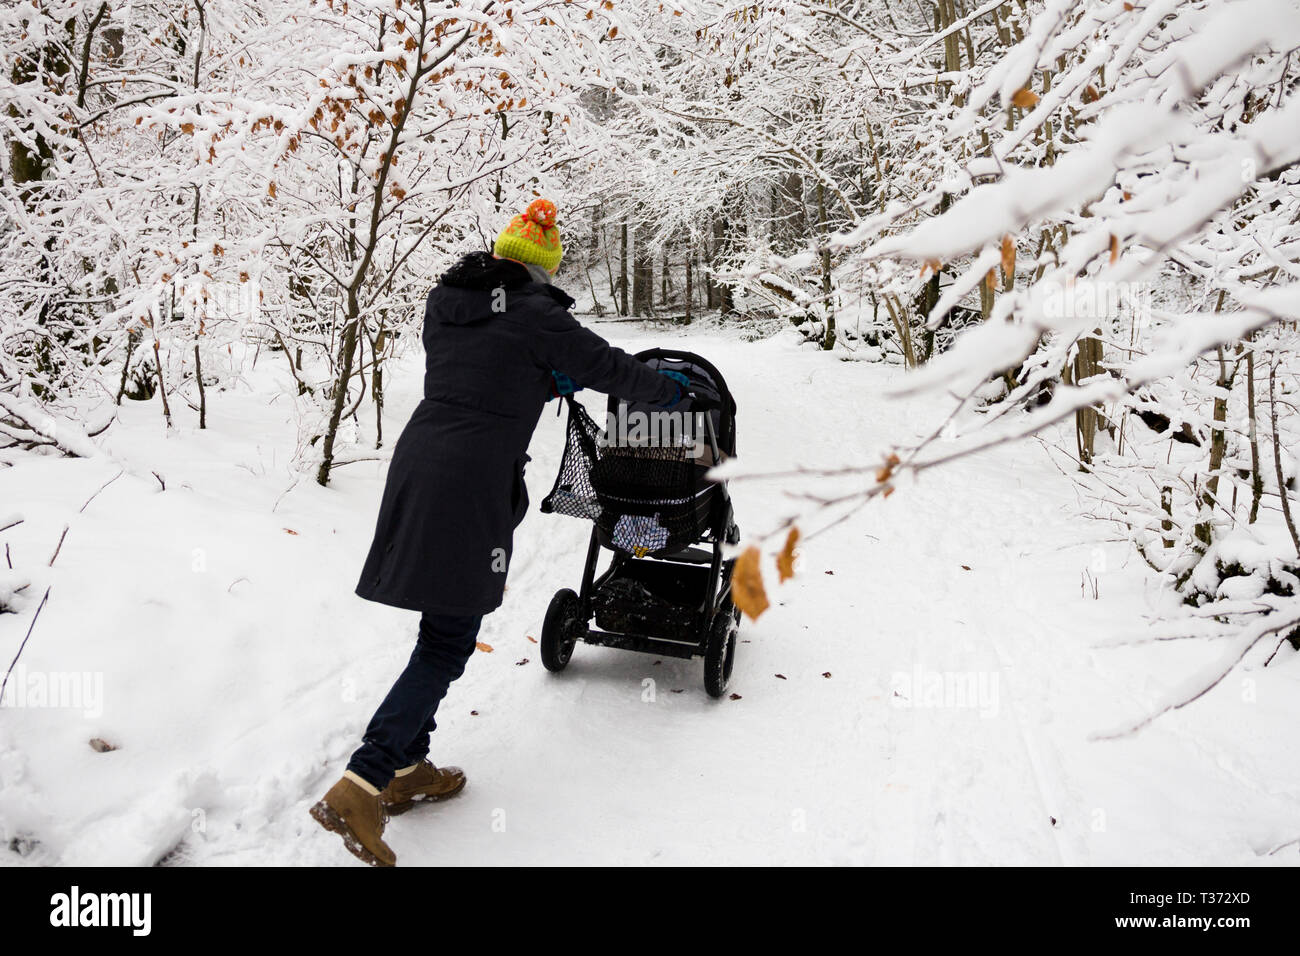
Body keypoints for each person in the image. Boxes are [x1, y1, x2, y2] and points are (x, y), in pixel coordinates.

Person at [309, 198, 686, 866]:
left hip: (422, 460)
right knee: (448, 640)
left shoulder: (447, 302)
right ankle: (363, 783)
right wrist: (671, 395)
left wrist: (541, 379)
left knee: (438, 627)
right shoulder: (539, 316)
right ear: (542, 268)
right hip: (472, 479)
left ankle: (407, 768)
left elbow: (486, 371)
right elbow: (611, 371)